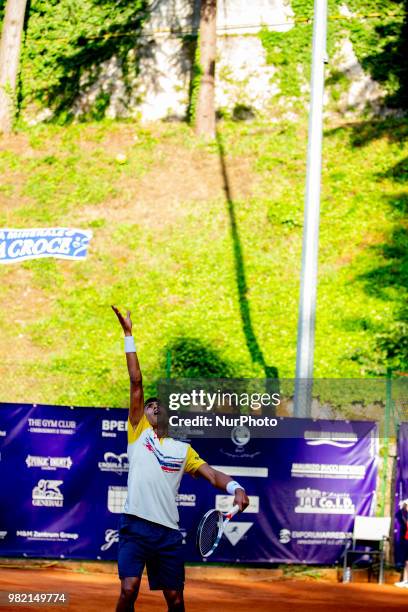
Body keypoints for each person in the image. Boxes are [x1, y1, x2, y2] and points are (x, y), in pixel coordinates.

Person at [112, 306, 249, 611]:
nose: (153, 407)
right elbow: (136, 383)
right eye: (148, 406)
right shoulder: (139, 434)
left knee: (175, 600)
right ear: (142, 416)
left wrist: (235, 487)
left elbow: (213, 475)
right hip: (135, 526)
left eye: (158, 405)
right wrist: (129, 335)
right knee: (129, 590)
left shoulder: (182, 450)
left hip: (167, 533)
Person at [395, 498, 408, 588]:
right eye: (405, 505)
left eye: (406, 505)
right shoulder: (405, 514)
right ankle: (405, 581)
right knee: (407, 562)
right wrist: (401, 508)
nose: (406, 507)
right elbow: (398, 514)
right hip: (407, 539)